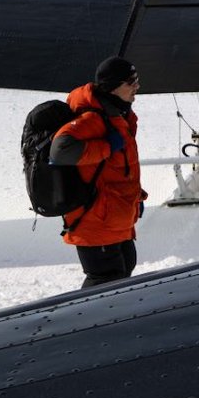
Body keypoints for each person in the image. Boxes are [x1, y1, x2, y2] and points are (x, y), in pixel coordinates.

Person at [50, 55, 147, 288]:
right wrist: (106, 147)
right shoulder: (93, 118)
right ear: (113, 87)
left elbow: (118, 169)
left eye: (137, 79)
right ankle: (84, 323)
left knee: (123, 269)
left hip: (115, 216)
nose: (137, 86)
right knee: (105, 280)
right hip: (95, 220)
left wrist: (135, 196)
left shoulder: (118, 115)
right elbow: (59, 150)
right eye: (130, 82)